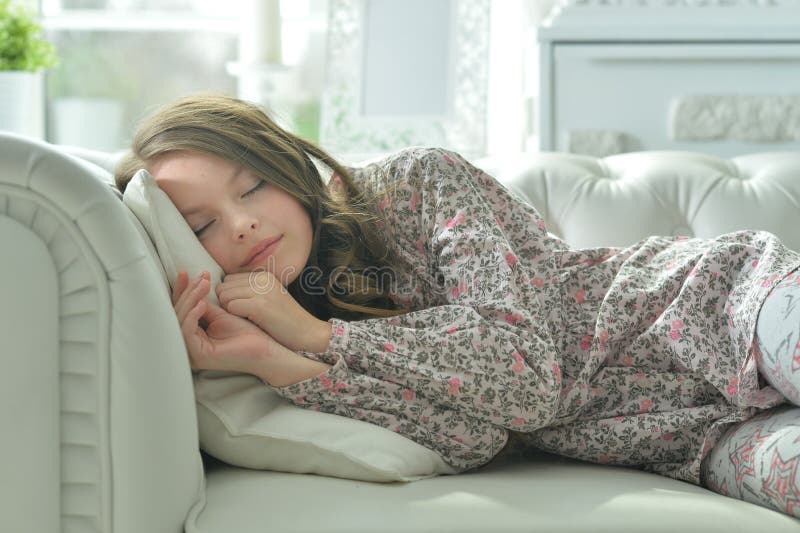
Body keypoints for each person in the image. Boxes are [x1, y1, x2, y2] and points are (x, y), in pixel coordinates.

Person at [115, 93, 800, 519]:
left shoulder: (417, 184)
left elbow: (526, 375)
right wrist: (273, 357)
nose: (238, 226)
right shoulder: (293, 339)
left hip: (721, 300)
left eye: (254, 184)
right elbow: (470, 439)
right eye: (200, 225)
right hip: (685, 437)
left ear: (289, 167)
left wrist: (318, 335)